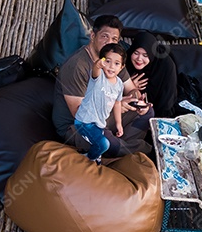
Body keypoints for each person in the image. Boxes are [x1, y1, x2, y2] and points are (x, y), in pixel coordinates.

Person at [52, 15, 153, 157]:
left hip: (104, 115)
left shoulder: (113, 58)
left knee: (147, 112)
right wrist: (115, 105)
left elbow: (131, 88)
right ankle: (141, 150)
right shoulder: (76, 66)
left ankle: (119, 147)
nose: (109, 42)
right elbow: (81, 113)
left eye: (114, 39)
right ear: (93, 36)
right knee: (105, 140)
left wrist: (137, 99)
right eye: (104, 36)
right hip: (76, 126)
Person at [74, 44, 128, 163]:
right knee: (103, 144)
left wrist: (119, 123)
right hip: (85, 121)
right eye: (107, 61)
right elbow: (95, 70)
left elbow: (117, 103)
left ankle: (94, 159)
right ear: (102, 61)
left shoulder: (119, 84)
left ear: (122, 67)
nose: (111, 66)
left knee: (99, 147)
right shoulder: (99, 77)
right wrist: (97, 65)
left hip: (99, 123)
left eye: (116, 63)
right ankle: (87, 160)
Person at [126, 31, 177, 117]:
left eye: (145, 55)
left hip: (159, 113)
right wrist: (130, 87)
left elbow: (167, 102)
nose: (139, 59)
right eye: (136, 53)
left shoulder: (165, 66)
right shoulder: (125, 62)